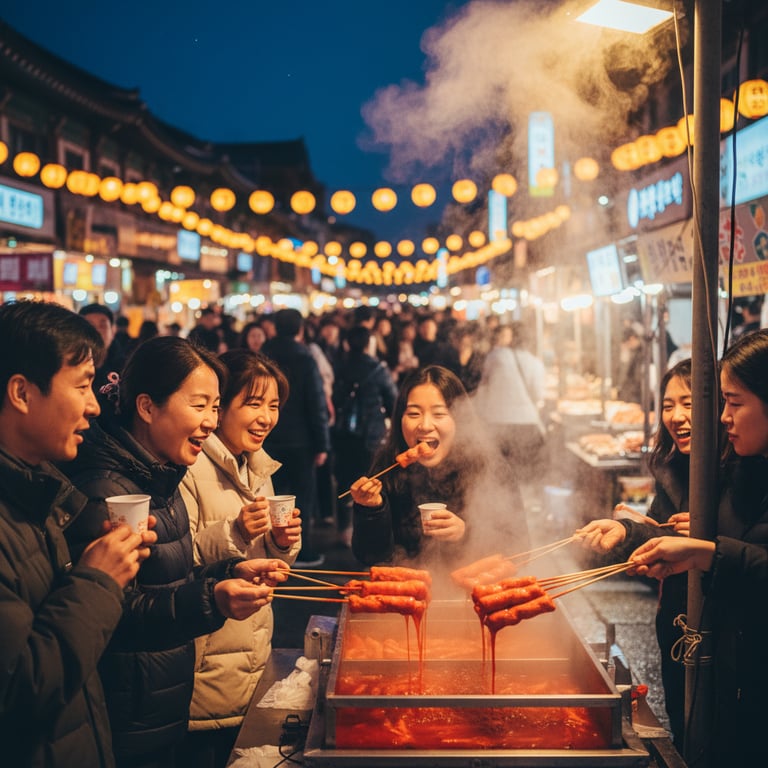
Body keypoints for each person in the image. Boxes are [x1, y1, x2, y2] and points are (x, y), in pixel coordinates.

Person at [62, 336, 289, 768]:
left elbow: (170, 577)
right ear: (147, 407)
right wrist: (211, 599)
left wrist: (231, 570)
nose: (210, 421)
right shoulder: (106, 490)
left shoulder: (162, 476)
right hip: (128, 718)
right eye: (200, 405)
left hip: (162, 702)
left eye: (214, 407)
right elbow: (110, 615)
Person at [0, 301, 155, 768]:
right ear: (22, 393)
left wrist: (97, 561)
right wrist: (96, 581)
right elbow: (18, 690)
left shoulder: (37, 491)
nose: (94, 404)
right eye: (83, 385)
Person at [623, 330, 768, 765]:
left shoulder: (740, 472)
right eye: (722, 403)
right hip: (716, 662)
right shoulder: (740, 469)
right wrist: (626, 533)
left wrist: (707, 549)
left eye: (733, 402)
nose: (723, 417)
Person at [577, 359, 708, 749]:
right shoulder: (671, 467)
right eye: (668, 405)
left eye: (688, 403)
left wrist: (706, 536)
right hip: (676, 623)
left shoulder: (739, 469)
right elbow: (657, 531)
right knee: (682, 724)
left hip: (719, 627)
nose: (676, 416)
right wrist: (624, 531)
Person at [179, 349, 301, 767]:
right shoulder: (191, 466)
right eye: (253, 403)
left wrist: (281, 544)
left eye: (273, 406)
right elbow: (176, 558)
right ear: (219, 407)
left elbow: (266, 560)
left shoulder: (258, 467)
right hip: (205, 666)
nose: (266, 417)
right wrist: (235, 532)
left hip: (252, 652)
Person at [350, 365, 528, 579]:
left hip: (470, 592)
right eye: (414, 413)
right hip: (404, 592)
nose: (425, 425)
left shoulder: (489, 467)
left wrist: (466, 534)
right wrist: (371, 511)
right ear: (400, 419)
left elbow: (520, 548)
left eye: (439, 414)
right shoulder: (386, 467)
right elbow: (369, 557)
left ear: (460, 419)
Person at [261, 308, 330, 567]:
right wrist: (322, 444)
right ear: (300, 329)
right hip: (301, 440)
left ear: (274, 327)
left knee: (270, 496)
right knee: (302, 499)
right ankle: (301, 549)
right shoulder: (305, 358)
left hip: (267, 437)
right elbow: (316, 403)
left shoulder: (263, 355)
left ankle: (268, 547)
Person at [333, 325, 397, 547]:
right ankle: (366, 528)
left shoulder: (340, 366)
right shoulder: (377, 369)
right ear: (369, 343)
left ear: (347, 343)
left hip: (344, 434)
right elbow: (393, 400)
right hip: (372, 434)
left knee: (345, 481)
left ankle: (343, 529)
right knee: (371, 482)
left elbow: (334, 397)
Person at [473, 322, 547, 483]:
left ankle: (503, 500)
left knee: (501, 475)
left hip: (497, 422)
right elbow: (538, 396)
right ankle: (526, 498)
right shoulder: (536, 363)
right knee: (525, 474)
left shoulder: (496, 356)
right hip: (527, 424)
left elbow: (483, 386)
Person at [80, 303, 130, 391]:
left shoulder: (126, 369)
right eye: (90, 326)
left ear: (113, 331)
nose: (96, 331)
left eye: (102, 326)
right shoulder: (69, 369)